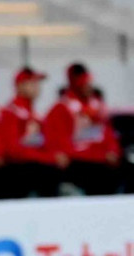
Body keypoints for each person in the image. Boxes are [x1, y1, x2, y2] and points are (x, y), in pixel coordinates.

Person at [44, 63, 122, 195]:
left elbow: (107, 133)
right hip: (81, 162)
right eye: (84, 83)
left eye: (88, 82)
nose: (88, 86)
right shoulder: (62, 108)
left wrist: (112, 151)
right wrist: (98, 155)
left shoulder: (97, 106)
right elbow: (60, 143)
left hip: (100, 160)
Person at [0, 66, 62, 199]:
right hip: (15, 172)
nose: (37, 87)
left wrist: (54, 156)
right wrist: (48, 158)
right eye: (32, 83)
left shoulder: (36, 116)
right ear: (20, 86)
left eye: (37, 83)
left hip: (33, 167)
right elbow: (13, 150)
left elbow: (47, 144)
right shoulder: (10, 113)